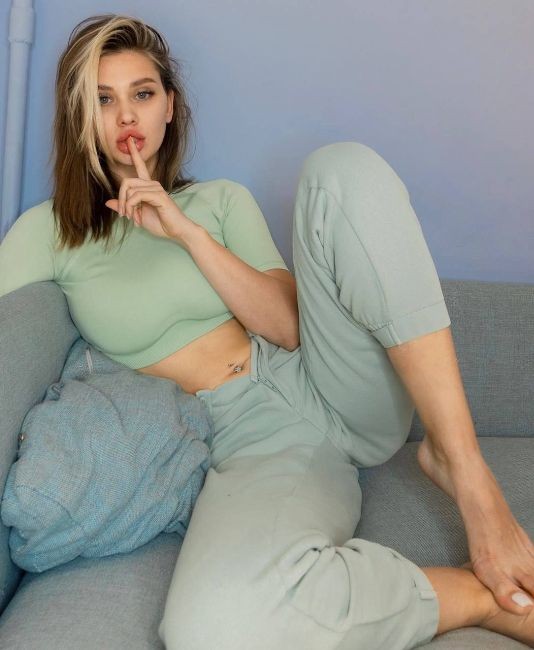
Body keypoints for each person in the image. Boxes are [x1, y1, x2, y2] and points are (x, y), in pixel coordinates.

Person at [0, 13, 532, 650]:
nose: (126, 116)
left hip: (326, 378)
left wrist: (187, 234)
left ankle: (461, 465)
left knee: (341, 170)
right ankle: (477, 597)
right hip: (247, 437)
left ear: (170, 106)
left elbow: (286, 325)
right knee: (211, 630)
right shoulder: (51, 232)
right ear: (79, 118)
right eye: (102, 100)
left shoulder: (220, 201)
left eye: (142, 93)